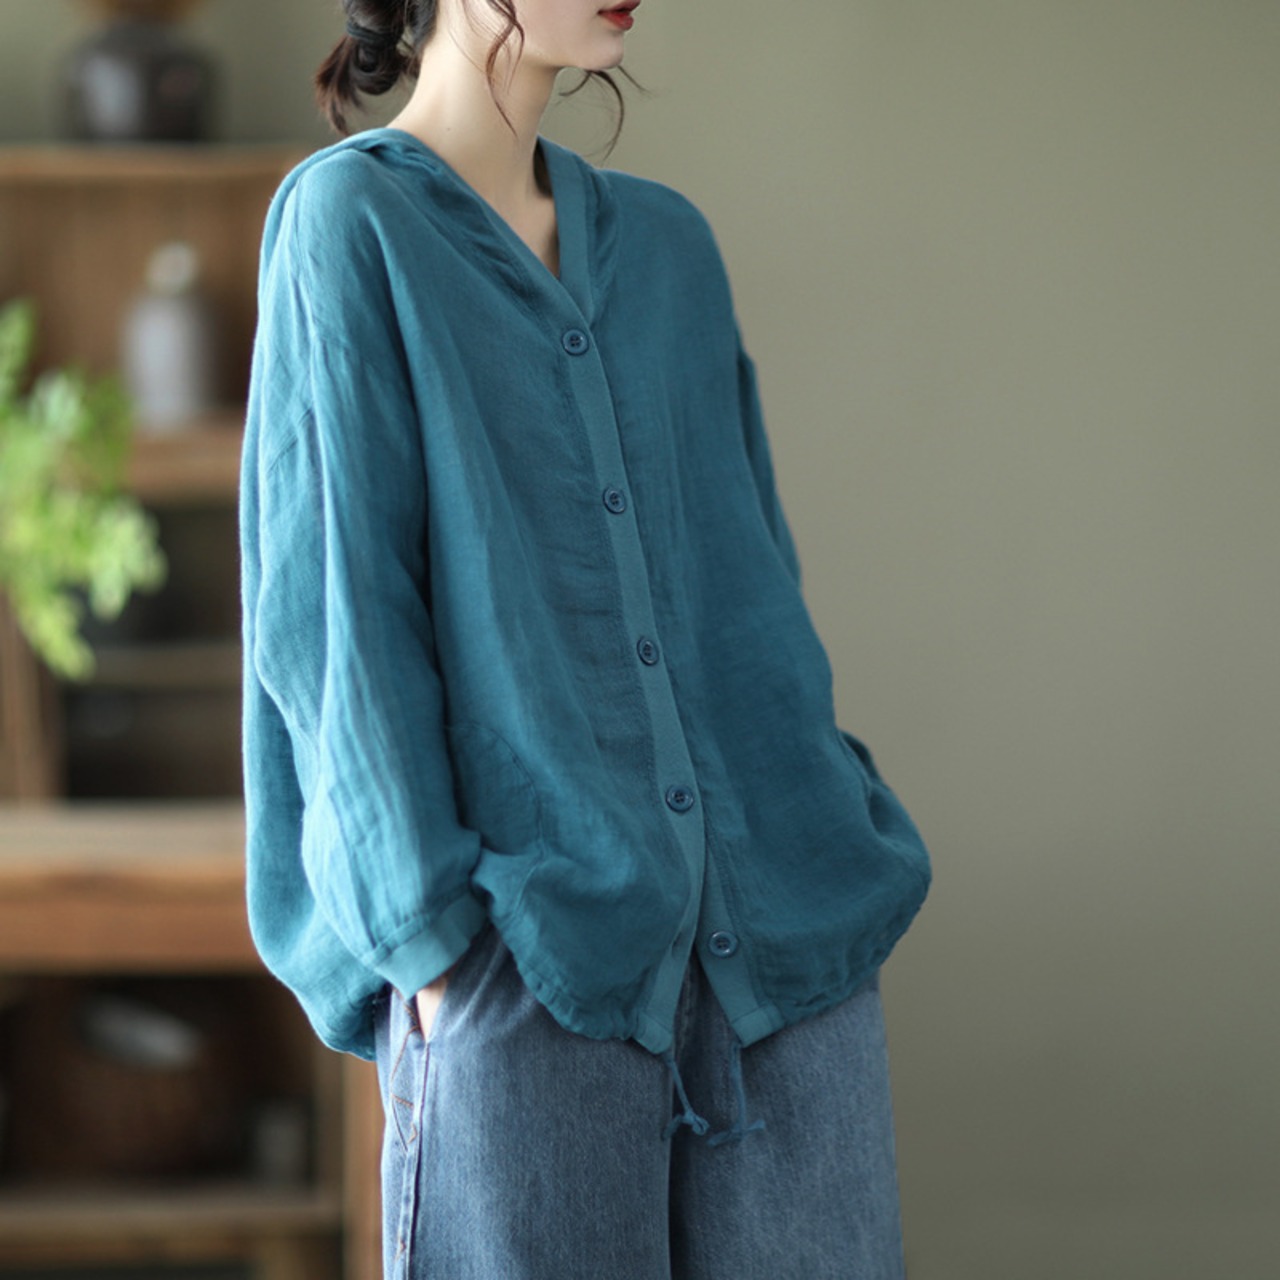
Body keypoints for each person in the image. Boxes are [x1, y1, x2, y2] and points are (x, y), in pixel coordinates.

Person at [239, 1, 932, 1276]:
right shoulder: (350, 225)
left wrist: (821, 811)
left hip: (787, 960)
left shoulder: (669, 249)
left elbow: (752, 586)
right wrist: (434, 953)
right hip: (525, 967)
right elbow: (334, 624)